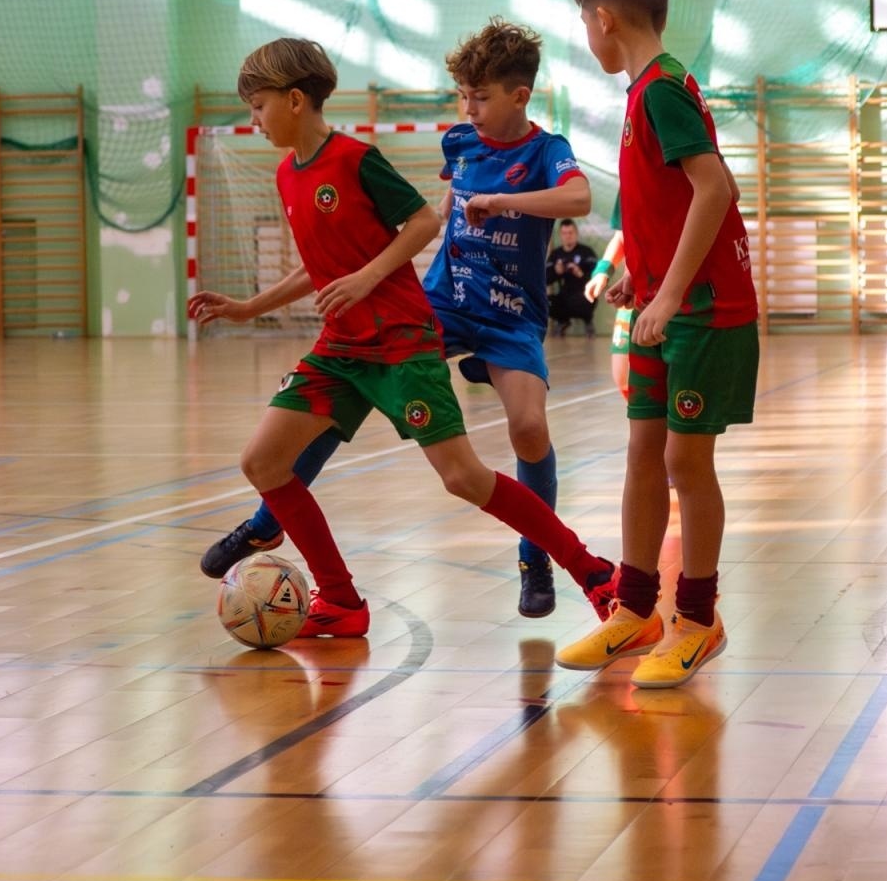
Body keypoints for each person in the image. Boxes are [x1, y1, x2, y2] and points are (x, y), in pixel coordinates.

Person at [188, 38, 616, 637]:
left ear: (294, 100)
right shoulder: (290, 174)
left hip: (421, 333)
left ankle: (584, 569)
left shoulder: (359, 160)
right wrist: (248, 308)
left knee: (473, 470)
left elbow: (423, 221)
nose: (253, 121)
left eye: (258, 107)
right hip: (360, 338)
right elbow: (334, 259)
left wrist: (370, 276)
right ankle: (337, 597)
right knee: (262, 459)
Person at [555, 0, 759, 688]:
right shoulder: (648, 89)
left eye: (586, 24)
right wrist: (640, 276)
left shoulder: (663, 90)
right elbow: (670, 201)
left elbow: (716, 188)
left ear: (604, 19)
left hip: (704, 311)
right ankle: (635, 610)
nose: (589, 38)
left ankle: (698, 620)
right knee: (643, 453)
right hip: (663, 301)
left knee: (684, 463)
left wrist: (669, 293)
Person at [585, 227, 631, 398]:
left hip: (672, 296)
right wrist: (602, 271)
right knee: (622, 375)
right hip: (634, 295)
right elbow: (620, 236)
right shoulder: (624, 208)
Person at [546, 218, 598, 337]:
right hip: (563, 296)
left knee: (587, 299)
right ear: (560, 235)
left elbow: (597, 278)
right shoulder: (556, 254)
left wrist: (580, 274)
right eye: (564, 233)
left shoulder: (586, 252)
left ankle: (588, 320)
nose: (568, 236)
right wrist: (556, 272)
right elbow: (545, 280)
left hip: (583, 296)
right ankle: (563, 321)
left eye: (570, 233)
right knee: (545, 303)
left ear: (576, 233)